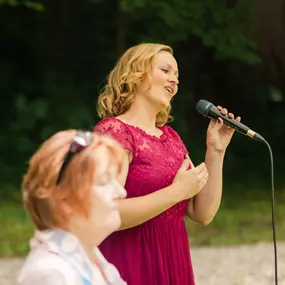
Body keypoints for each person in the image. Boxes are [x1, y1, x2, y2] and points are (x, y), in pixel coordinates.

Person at [94, 43, 241, 285]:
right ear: (136, 73)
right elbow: (106, 213)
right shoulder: (114, 132)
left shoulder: (171, 138)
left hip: (173, 260)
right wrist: (176, 192)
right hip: (131, 262)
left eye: (177, 75)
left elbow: (202, 213)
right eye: (166, 70)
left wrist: (215, 151)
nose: (174, 80)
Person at [16, 130, 127, 285]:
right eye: (104, 181)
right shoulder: (52, 274)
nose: (121, 192)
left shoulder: (92, 257)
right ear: (63, 199)